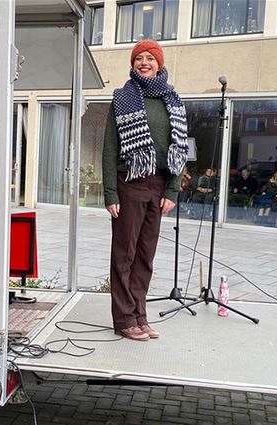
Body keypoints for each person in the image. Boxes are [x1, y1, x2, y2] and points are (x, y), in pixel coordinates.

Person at [102, 39, 188, 341]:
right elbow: (109, 149)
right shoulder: (122, 98)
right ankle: (124, 319)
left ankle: (140, 314)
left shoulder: (173, 100)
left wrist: (172, 190)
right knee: (124, 254)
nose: (145, 63)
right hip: (130, 183)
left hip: (159, 185)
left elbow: (180, 148)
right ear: (133, 63)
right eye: (140, 58)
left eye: (151, 58)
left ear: (160, 63)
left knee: (145, 257)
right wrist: (110, 192)